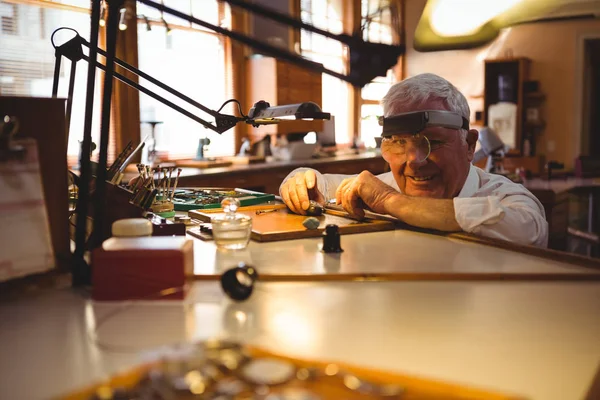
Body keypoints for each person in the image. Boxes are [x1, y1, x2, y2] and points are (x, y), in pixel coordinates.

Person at [279, 73, 548, 247]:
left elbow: (530, 232)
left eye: (433, 142)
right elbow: (318, 185)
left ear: (468, 145)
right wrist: (299, 178)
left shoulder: (504, 197)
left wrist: (392, 202)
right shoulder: (382, 187)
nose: (415, 160)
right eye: (398, 143)